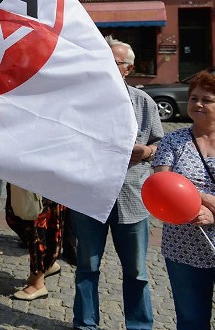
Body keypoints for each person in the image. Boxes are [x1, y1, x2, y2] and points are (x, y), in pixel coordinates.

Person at [72, 37, 163, 330]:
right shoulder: (83, 101)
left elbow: (161, 145)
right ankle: (85, 324)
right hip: (89, 197)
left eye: (113, 63)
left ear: (128, 68)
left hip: (131, 200)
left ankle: (139, 325)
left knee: (136, 271)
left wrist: (146, 152)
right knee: (87, 267)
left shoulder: (143, 102)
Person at [152, 70, 215, 330]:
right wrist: (200, 199)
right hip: (184, 246)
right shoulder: (173, 141)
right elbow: (160, 188)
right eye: (193, 98)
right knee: (191, 320)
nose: (197, 104)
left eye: (207, 100)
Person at [6, 185, 64, 301]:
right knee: (15, 216)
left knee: (35, 223)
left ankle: (37, 283)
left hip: (42, 179)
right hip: (31, 174)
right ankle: (47, 263)